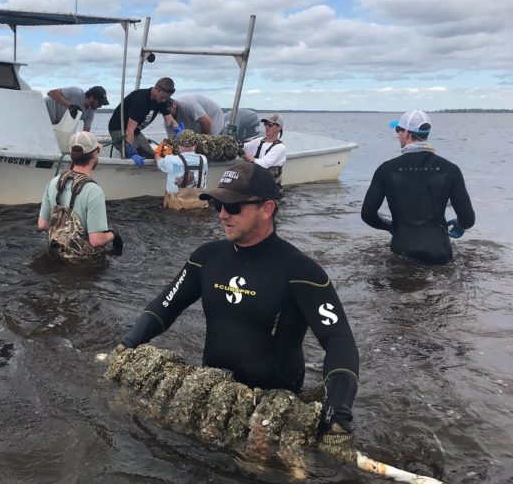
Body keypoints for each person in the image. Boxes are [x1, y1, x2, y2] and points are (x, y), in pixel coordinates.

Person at [117, 162, 360, 460]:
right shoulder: (206, 258)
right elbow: (165, 306)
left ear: (267, 208)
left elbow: (339, 342)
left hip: (272, 407)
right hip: (214, 397)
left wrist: (338, 413)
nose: (222, 214)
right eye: (218, 204)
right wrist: (128, 344)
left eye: (232, 207)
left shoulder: (300, 271)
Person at [361, 110, 475, 265]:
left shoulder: (386, 169)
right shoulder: (451, 170)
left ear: (406, 133)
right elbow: (468, 219)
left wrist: (391, 226)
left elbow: (368, 214)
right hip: (441, 253)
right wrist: (460, 224)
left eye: (398, 130)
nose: (397, 135)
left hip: (402, 250)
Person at [38, 131, 123, 262]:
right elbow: (96, 240)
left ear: (72, 155)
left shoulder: (53, 182)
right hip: (83, 264)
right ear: (94, 154)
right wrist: (114, 235)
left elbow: (43, 224)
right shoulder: (93, 191)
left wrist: (65, 234)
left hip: (55, 256)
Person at [108, 77, 181, 165]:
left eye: (166, 98)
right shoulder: (140, 99)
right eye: (162, 97)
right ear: (156, 89)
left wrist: (178, 130)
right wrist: (132, 152)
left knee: (153, 156)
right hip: (119, 129)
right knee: (131, 156)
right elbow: (129, 129)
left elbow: (170, 120)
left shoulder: (162, 100)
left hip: (136, 131)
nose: (164, 100)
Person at [154, 129, 209, 210]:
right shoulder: (203, 159)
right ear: (195, 145)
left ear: (178, 145)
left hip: (176, 207)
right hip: (199, 204)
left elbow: (159, 162)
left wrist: (157, 152)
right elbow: (186, 161)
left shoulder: (170, 160)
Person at [243, 113, 287, 191]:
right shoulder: (259, 140)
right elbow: (244, 147)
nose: (266, 127)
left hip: (271, 189)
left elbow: (264, 164)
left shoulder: (280, 147)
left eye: (270, 124)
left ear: (279, 128)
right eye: (265, 123)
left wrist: (248, 157)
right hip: (256, 185)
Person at [44, 85, 109, 132]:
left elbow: (86, 132)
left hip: (53, 121)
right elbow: (51, 93)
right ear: (92, 98)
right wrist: (70, 106)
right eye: (99, 103)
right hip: (43, 108)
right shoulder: (76, 92)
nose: (100, 106)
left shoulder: (90, 112)